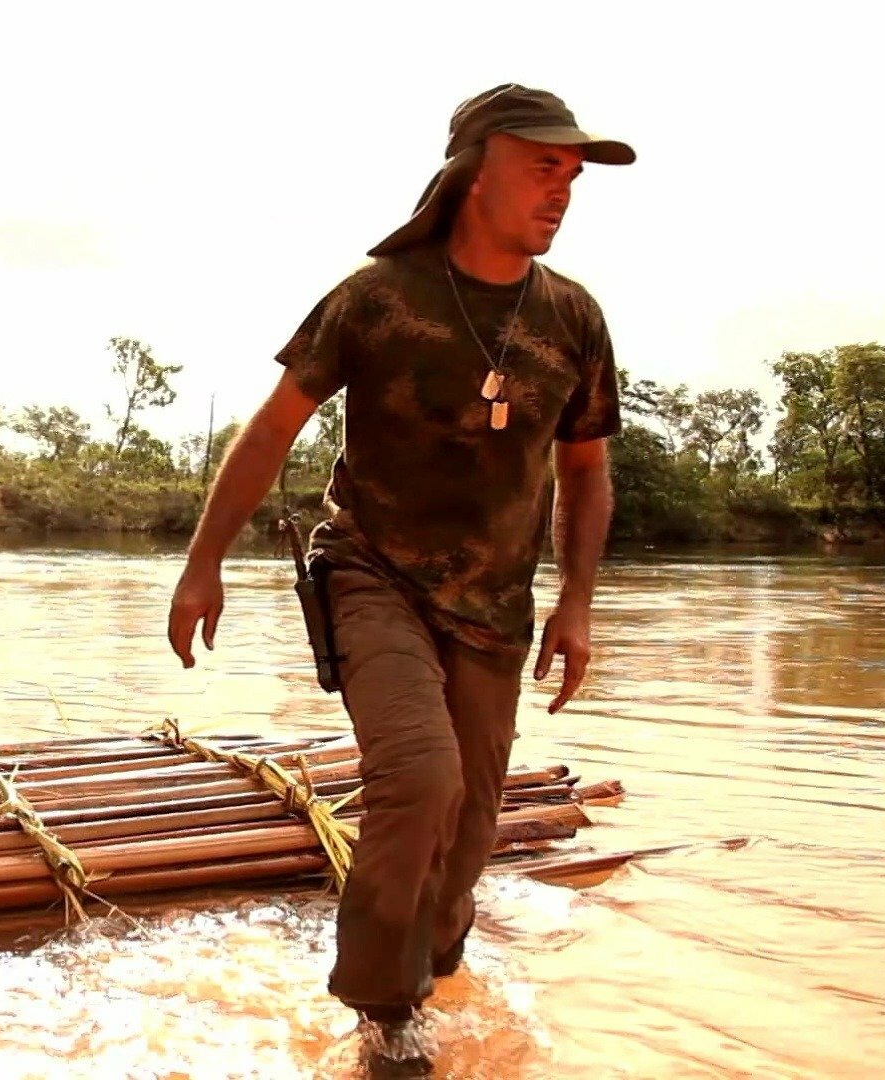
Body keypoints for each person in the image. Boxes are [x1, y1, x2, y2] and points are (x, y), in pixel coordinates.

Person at [166, 84, 631, 1068]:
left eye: (573, 176)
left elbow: (586, 471)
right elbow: (271, 431)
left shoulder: (573, 319)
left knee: (466, 831)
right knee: (420, 780)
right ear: (475, 171)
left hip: (495, 606)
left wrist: (580, 601)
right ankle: (383, 1014)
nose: (563, 190)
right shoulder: (377, 298)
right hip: (371, 573)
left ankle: (427, 962)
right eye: (543, 166)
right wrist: (203, 565)